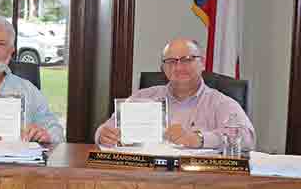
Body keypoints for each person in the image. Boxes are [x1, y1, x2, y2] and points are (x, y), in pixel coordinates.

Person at [95, 38, 256, 149]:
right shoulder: (143, 97)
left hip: (199, 186)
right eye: (171, 62)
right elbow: (107, 129)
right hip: (146, 179)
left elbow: (247, 138)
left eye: (187, 60)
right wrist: (103, 135)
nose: (178, 68)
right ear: (163, 68)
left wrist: (199, 139)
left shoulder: (220, 103)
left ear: (202, 63)